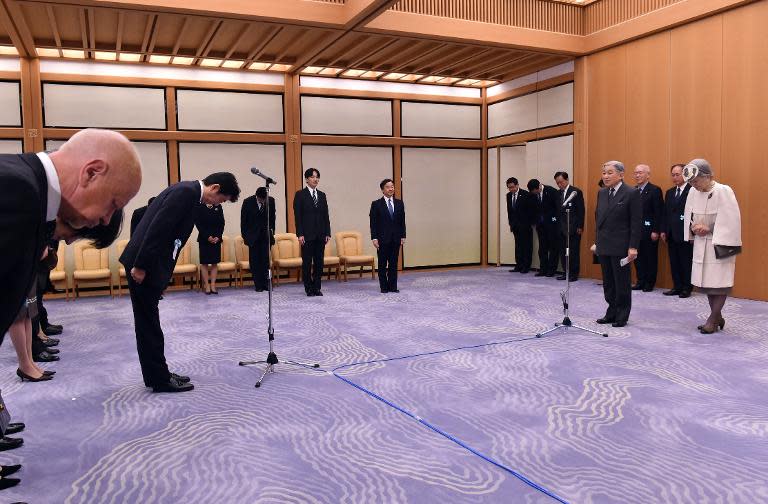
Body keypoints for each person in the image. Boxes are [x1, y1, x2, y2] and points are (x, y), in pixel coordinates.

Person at [0, 128, 142, 339]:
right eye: (113, 204)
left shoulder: (30, 192)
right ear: (91, 173)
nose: (106, 219)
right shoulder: (18, 189)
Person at [120, 172, 240, 393]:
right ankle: (159, 378)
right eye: (220, 200)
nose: (216, 204)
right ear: (214, 188)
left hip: (148, 263)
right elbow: (158, 229)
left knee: (150, 323)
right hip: (143, 265)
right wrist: (142, 265)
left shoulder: (189, 193)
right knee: (149, 325)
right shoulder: (186, 193)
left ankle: (159, 373)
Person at [683, 159, 741, 334]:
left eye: (696, 181)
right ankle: (717, 316)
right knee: (708, 284)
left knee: (720, 284)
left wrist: (710, 228)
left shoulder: (723, 191)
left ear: (708, 176)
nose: (694, 185)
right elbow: (689, 214)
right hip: (702, 243)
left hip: (721, 243)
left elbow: (732, 220)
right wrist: (693, 227)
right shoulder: (693, 192)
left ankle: (712, 319)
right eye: (691, 182)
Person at [595, 161, 642, 328]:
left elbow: (636, 223)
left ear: (621, 175)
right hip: (604, 244)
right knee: (608, 282)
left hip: (621, 245)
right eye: (604, 173)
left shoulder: (631, 193)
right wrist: (597, 242)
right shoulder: (601, 193)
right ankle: (611, 311)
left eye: (610, 173)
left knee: (621, 282)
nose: (605, 176)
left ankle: (622, 314)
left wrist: (633, 246)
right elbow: (598, 219)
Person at [294, 168, 331, 297]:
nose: (316, 179)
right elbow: (298, 216)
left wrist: (327, 232)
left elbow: (326, 215)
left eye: (317, 177)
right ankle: (308, 288)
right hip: (307, 235)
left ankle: (317, 287)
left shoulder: (322, 195)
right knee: (307, 263)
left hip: (321, 234)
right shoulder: (300, 195)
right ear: (307, 179)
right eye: (313, 177)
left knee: (319, 263)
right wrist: (300, 234)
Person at [660, 164, 693, 298]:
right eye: (673, 175)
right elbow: (665, 213)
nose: (674, 177)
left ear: (685, 174)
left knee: (686, 261)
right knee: (674, 262)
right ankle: (677, 286)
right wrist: (663, 230)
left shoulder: (692, 191)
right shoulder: (670, 192)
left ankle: (687, 287)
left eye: (677, 174)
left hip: (685, 233)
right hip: (671, 233)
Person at [369, 179, 406, 293]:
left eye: (392, 186)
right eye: (388, 187)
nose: (391, 189)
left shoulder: (399, 203)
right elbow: (373, 223)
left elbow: (402, 221)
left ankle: (393, 287)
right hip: (382, 239)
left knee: (393, 264)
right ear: (382, 189)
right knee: (382, 264)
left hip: (396, 238)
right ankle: (384, 287)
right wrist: (374, 238)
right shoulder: (376, 204)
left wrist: (403, 235)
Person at [632, 164, 664, 292]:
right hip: (635, 231)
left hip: (649, 231)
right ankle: (640, 281)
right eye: (635, 173)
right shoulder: (633, 190)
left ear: (648, 175)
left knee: (650, 258)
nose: (637, 175)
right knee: (637, 257)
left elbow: (658, 212)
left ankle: (649, 283)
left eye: (640, 172)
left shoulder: (655, 190)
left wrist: (656, 230)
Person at [241, 186, 276, 292]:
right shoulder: (248, 202)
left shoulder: (271, 200)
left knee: (265, 261)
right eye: (261, 199)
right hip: (253, 237)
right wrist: (245, 236)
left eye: (265, 199)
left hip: (266, 236)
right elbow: (243, 221)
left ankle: (266, 284)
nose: (263, 201)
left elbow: (273, 218)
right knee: (255, 261)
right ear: (257, 197)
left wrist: (272, 231)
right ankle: (258, 285)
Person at [554, 171, 584, 281]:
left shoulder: (576, 192)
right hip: (561, 228)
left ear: (567, 180)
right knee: (563, 252)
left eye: (561, 182)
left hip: (574, 228)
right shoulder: (558, 194)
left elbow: (581, 210)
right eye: (557, 183)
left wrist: (580, 226)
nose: (559, 185)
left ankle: (573, 274)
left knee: (573, 252)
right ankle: (565, 272)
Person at [527, 178, 559, 277]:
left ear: (539, 186)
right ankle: (543, 269)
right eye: (533, 192)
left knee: (553, 248)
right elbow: (532, 209)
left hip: (552, 226)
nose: (535, 193)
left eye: (536, 191)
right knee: (542, 249)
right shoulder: (532, 195)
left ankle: (551, 270)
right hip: (540, 226)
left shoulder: (552, 191)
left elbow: (557, 209)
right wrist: (535, 222)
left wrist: (554, 221)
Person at [505, 177, 535, 274]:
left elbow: (531, 211)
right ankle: (519, 265)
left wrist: (529, 223)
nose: (511, 189)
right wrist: (511, 223)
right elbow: (510, 211)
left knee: (526, 246)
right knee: (518, 246)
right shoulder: (508, 196)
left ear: (517, 185)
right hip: (515, 226)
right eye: (509, 188)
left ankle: (526, 266)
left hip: (525, 225)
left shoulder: (526, 194)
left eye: (512, 187)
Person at [194, 201, 225, 294]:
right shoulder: (200, 207)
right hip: (204, 239)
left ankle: (213, 285)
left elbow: (221, 223)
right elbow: (198, 224)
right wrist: (207, 236)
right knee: (204, 263)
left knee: (214, 263)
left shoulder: (218, 206)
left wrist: (218, 236)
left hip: (216, 239)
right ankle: (206, 286)